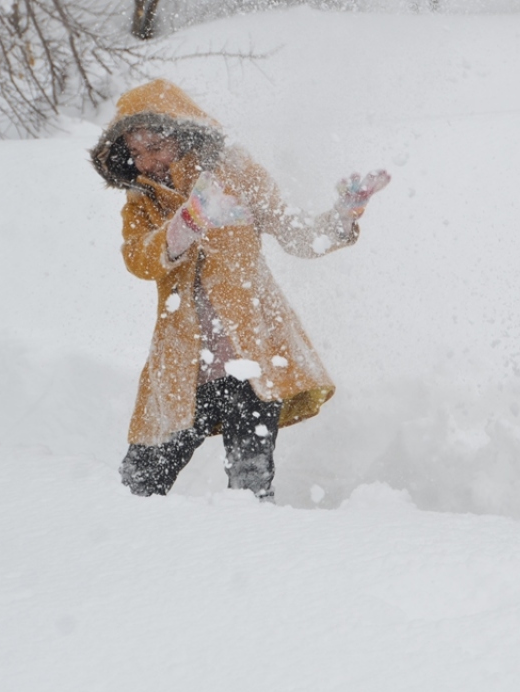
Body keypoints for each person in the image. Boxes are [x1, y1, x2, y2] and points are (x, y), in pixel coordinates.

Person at [91, 79, 389, 501]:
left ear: (182, 134)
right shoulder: (143, 201)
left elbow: (295, 233)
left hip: (252, 362)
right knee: (136, 486)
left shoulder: (234, 173)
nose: (145, 162)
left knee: (250, 493)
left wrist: (341, 217)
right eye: (135, 152)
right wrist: (184, 226)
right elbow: (138, 259)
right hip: (183, 368)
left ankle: (250, 558)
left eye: (154, 147)